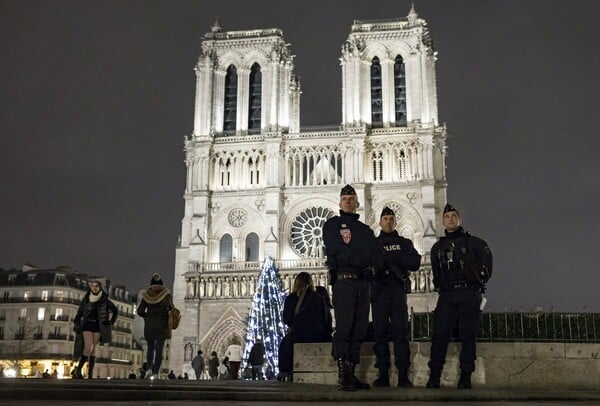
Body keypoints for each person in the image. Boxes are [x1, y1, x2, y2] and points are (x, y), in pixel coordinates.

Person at [426, 204, 493, 389]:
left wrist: (477, 281)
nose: (450, 219)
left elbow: (487, 264)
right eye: (447, 216)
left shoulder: (475, 243)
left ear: (459, 219)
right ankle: (434, 376)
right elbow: (436, 273)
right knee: (439, 335)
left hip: (469, 293)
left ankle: (465, 376)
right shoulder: (438, 247)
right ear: (443, 221)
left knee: (468, 335)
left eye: (453, 216)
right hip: (447, 294)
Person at [323, 184, 382, 391]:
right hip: (344, 282)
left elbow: (376, 254)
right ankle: (343, 375)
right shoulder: (332, 226)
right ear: (340, 203)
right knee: (344, 327)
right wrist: (361, 263)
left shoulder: (366, 231)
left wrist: (372, 269)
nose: (348, 201)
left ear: (357, 203)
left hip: (362, 284)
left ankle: (351, 374)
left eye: (351, 198)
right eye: (345, 198)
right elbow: (336, 250)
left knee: (359, 329)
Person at [371, 207, 422, 388]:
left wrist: (396, 260)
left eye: (391, 219)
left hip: (397, 290)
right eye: (385, 218)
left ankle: (403, 375)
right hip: (379, 290)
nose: (389, 221)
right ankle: (383, 374)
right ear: (380, 222)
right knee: (380, 334)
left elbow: (415, 262)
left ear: (395, 222)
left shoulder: (405, 243)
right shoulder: (373, 244)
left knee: (401, 333)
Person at [277, 273, 331, 382]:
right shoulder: (318, 298)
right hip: (318, 334)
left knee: (284, 345)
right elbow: (326, 319)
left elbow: (287, 319)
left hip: (299, 334)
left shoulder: (291, 298)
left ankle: (284, 372)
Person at [73, 279, 118, 379]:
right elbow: (80, 312)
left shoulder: (104, 300)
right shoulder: (86, 299)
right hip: (87, 325)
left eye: (96, 286)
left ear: (100, 287)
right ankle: (78, 370)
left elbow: (115, 310)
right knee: (88, 347)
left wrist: (111, 321)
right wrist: (76, 323)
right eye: (92, 286)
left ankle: (90, 374)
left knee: (93, 350)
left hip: (98, 326)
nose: (94, 288)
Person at [137, 273, 173, 379]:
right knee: (159, 350)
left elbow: (140, 311)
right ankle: (156, 372)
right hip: (162, 326)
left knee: (150, 349)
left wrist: (146, 316)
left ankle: (148, 369)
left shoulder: (146, 297)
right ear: (161, 286)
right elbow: (171, 308)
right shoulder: (166, 296)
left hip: (149, 326)